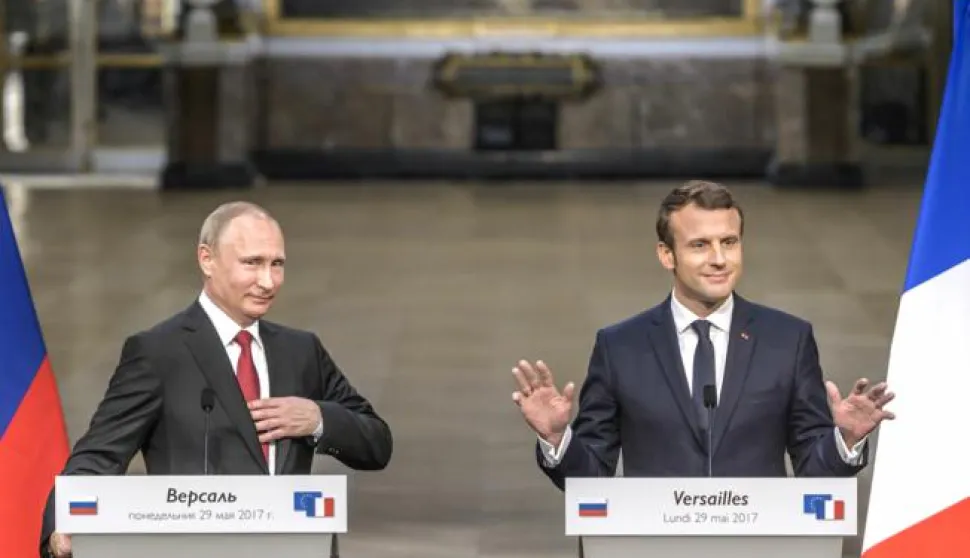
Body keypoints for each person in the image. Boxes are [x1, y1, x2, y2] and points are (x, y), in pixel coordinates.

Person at [41, 201, 393, 558]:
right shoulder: (158, 353)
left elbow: (377, 443)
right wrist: (61, 528)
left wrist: (317, 420)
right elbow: (98, 455)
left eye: (277, 264)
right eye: (252, 263)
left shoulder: (300, 351)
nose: (268, 281)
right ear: (207, 259)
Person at [512, 180, 895, 489]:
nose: (719, 259)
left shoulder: (788, 340)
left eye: (729, 242)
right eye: (700, 245)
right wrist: (557, 439)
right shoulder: (621, 347)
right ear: (667, 255)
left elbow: (814, 471)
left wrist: (845, 439)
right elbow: (591, 478)